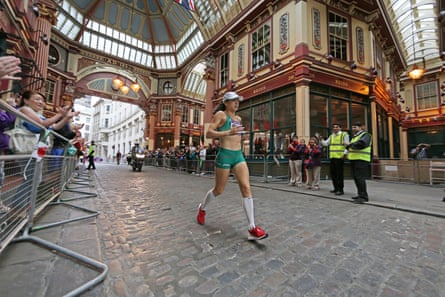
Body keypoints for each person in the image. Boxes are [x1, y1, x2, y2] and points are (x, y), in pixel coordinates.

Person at [196, 91, 268, 240]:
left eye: (238, 101)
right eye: (234, 100)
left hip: (238, 155)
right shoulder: (221, 115)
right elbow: (208, 134)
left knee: (246, 187)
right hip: (225, 155)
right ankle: (202, 209)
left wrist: (243, 136)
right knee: (219, 190)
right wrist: (228, 132)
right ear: (226, 102)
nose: (237, 103)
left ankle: (252, 228)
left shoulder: (238, 118)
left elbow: (236, 135)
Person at [318, 123, 349, 195]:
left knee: (339, 174)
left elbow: (347, 145)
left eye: (337, 127)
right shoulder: (331, 136)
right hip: (332, 157)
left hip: (340, 157)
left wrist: (345, 154)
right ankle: (335, 188)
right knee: (333, 174)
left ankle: (340, 190)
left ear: (340, 128)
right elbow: (326, 144)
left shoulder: (344, 135)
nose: (335, 128)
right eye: (334, 127)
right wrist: (321, 140)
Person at [346, 122, 372, 204]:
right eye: (352, 127)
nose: (353, 129)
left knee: (360, 178)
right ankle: (360, 194)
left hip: (361, 160)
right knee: (357, 178)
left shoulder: (366, 135)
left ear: (360, 128)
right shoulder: (355, 137)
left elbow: (362, 144)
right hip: (354, 160)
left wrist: (350, 144)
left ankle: (364, 197)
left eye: (355, 127)